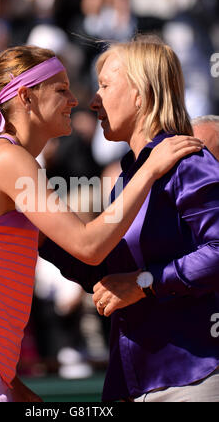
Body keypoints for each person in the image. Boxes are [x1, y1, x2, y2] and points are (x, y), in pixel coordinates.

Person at [0, 44, 202, 403]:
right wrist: (150, 168)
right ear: (26, 97)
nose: (75, 99)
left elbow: (83, 261)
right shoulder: (5, 158)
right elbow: (88, 245)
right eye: (61, 89)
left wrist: (150, 282)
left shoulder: (10, 161)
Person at [39, 36, 219, 402]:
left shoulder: (187, 161)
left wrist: (145, 281)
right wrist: (41, 237)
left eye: (105, 86)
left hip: (192, 378)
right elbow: (108, 277)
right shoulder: (129, 176)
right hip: (137, 378)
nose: (93, 101)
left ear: (141, 93)